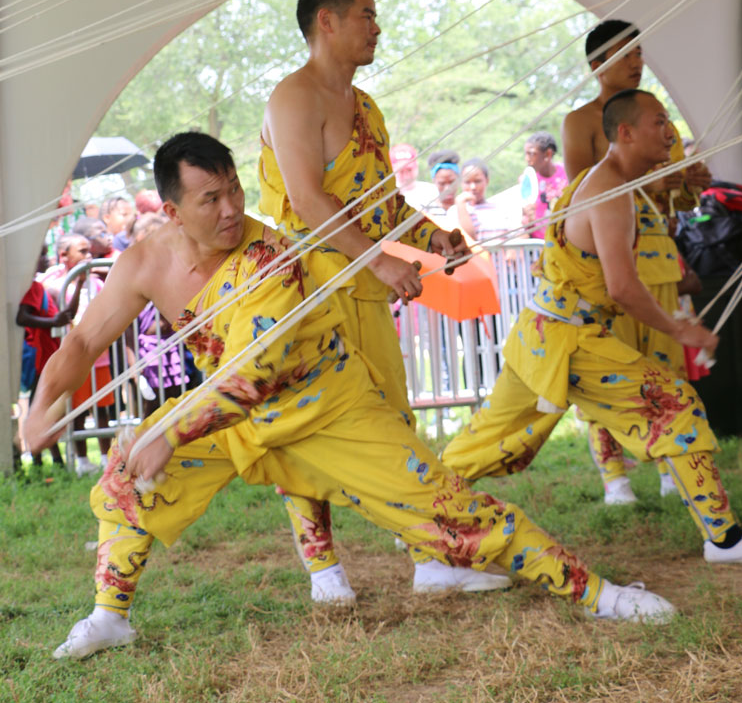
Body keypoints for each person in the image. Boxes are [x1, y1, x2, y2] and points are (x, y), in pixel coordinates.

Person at [25, 132, 678, 660]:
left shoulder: (268, 256)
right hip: (232, 418)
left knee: (451, 516)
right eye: (209, 199)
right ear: (170, 210)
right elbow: (82, 342)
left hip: (324, 407)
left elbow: (258, 372)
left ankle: (599, 594)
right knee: (121, 480)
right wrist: (39, 410)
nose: (230, 210)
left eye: (234, 191)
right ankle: (110, 617)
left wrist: (169, 432)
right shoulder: (145, 258)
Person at [259, 0, 497, 602]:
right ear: (326, 22)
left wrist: (433, 234)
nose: (377, 26)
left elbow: (381, 202)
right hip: (303, 292)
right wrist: (383, 263)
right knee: (305, 427)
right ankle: (324, 572)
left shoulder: (367, 107)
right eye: (366, 13)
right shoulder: (292, 96)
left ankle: (432, 558)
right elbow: (309, 201)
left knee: (394, 422)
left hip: (360, 287)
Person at [442, 90, 742, 565]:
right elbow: (623, 287)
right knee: (677, 406)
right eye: (658, 121)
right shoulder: (610, 190)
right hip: (568, 337)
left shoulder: (608, 182)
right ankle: (725, 540)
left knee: (491, 439)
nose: (670, 131)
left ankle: (420, 512)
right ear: (625, 133)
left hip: (541, 332)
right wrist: (680, 329)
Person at [562, 20, 711, 503]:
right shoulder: (580, 122)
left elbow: (683, 206)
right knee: (611, 368)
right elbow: (576, 194)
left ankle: (672, 468)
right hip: (610, 261)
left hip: (659, 259)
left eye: (639, 51)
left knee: (668, 371)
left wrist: (691, 183)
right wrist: (652, 185)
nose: (636, 60)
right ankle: (614, 477)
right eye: (624, 52)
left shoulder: (656, 118)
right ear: (596, 65)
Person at [41, 233, 114, 474]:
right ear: (64, 255)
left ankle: (106, 456)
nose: (89, 256)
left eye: (89, 251)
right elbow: (65, 312)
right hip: (74, 360)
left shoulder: (98, 283)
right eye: (82, 251)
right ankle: (82, 461)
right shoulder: (56, 283)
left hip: (99, 357)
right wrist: (79, 282)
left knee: (102, 408)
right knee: (78, 410)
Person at [16, 250, 85, 468]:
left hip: (49, 356)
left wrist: (79, 285)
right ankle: (39, 460)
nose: (46, 259)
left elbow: (65, 316)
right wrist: (52, 322)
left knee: (47, 407)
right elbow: (22, 316)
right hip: (39, 358)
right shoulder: (31, 288)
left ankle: (55, 459)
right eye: (41, 254)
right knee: (41, 407)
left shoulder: (41, 288)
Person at [522, 131, 568, 239]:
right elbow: (524, 219)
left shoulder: (566, 175)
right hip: (539, 245)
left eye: (532, 154)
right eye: (526, 154)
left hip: (565, 239)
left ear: (548, 154)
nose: (527, 159)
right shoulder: (527, 180)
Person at [389, 143, 435, 210]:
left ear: (417, 166)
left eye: (409, 170)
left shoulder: (432, 191)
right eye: (401, 171)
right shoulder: (389, 196)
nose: (406, 176)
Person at [425, 150, 460, 220]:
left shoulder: (467, 207)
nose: (447, 188)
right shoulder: (427, 212)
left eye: (452, 182)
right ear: (434, 181)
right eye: (442, 183)